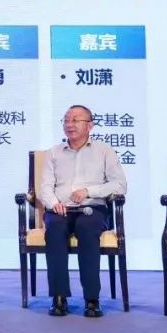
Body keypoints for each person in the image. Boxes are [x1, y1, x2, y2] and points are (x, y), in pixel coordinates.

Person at [39, 105, 127, 318]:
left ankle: (92, 298)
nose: (69, 124)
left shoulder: (104, 151)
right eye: (66, 120)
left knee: (87, 229)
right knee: (55, 230)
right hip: (60, 209)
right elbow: (45, 187)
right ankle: (59, 297)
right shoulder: (54, 152)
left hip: (92, 207)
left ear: (90, 125)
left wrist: (89, 191)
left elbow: (120, 185)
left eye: (76, 120)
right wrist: (53, 203)